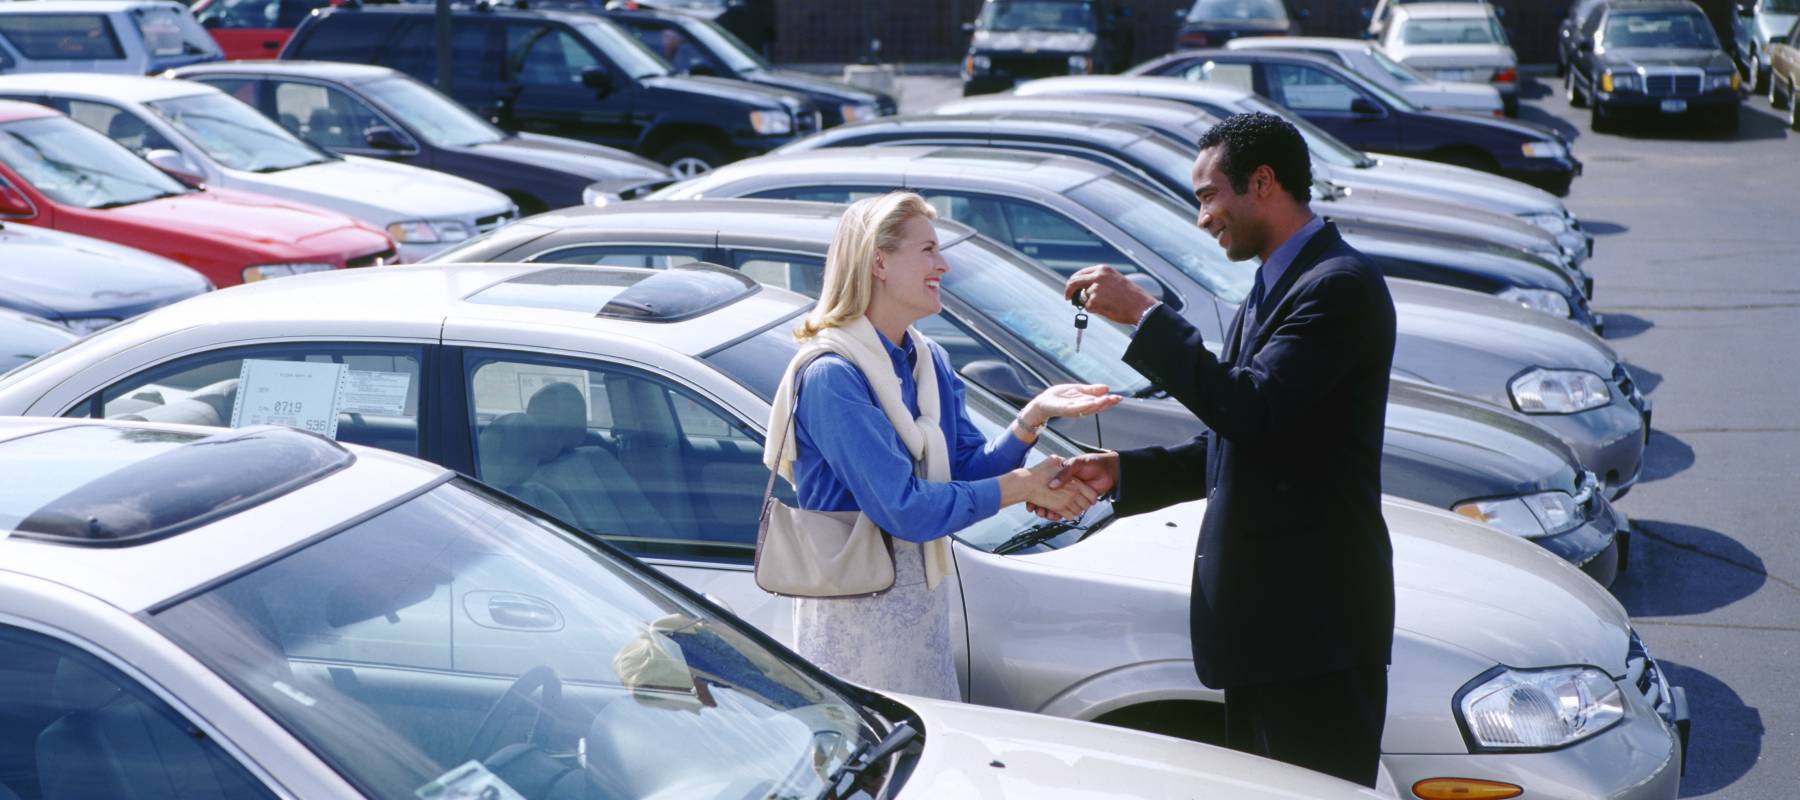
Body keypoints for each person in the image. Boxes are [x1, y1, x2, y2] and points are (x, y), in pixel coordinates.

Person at [1052, 112, 1397, 787]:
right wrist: (1119, 474)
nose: (1203, 218)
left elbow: (1252, 409)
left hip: (1313, 638)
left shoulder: (1338, 287)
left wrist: (1147, 317)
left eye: (1209, 195)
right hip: (1272, 639)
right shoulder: (1276, 283)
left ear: (1263, 183)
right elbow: (1239, 438)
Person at [764, 191, 1120, 702]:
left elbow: (968, 469)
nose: (943, 265)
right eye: (928, 250)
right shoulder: (832, 377)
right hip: (852, 618)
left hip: (920, 613)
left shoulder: (927, 360)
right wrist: (1020, 487)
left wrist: (1032, 417)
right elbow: (904, 509)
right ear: (879, 262)